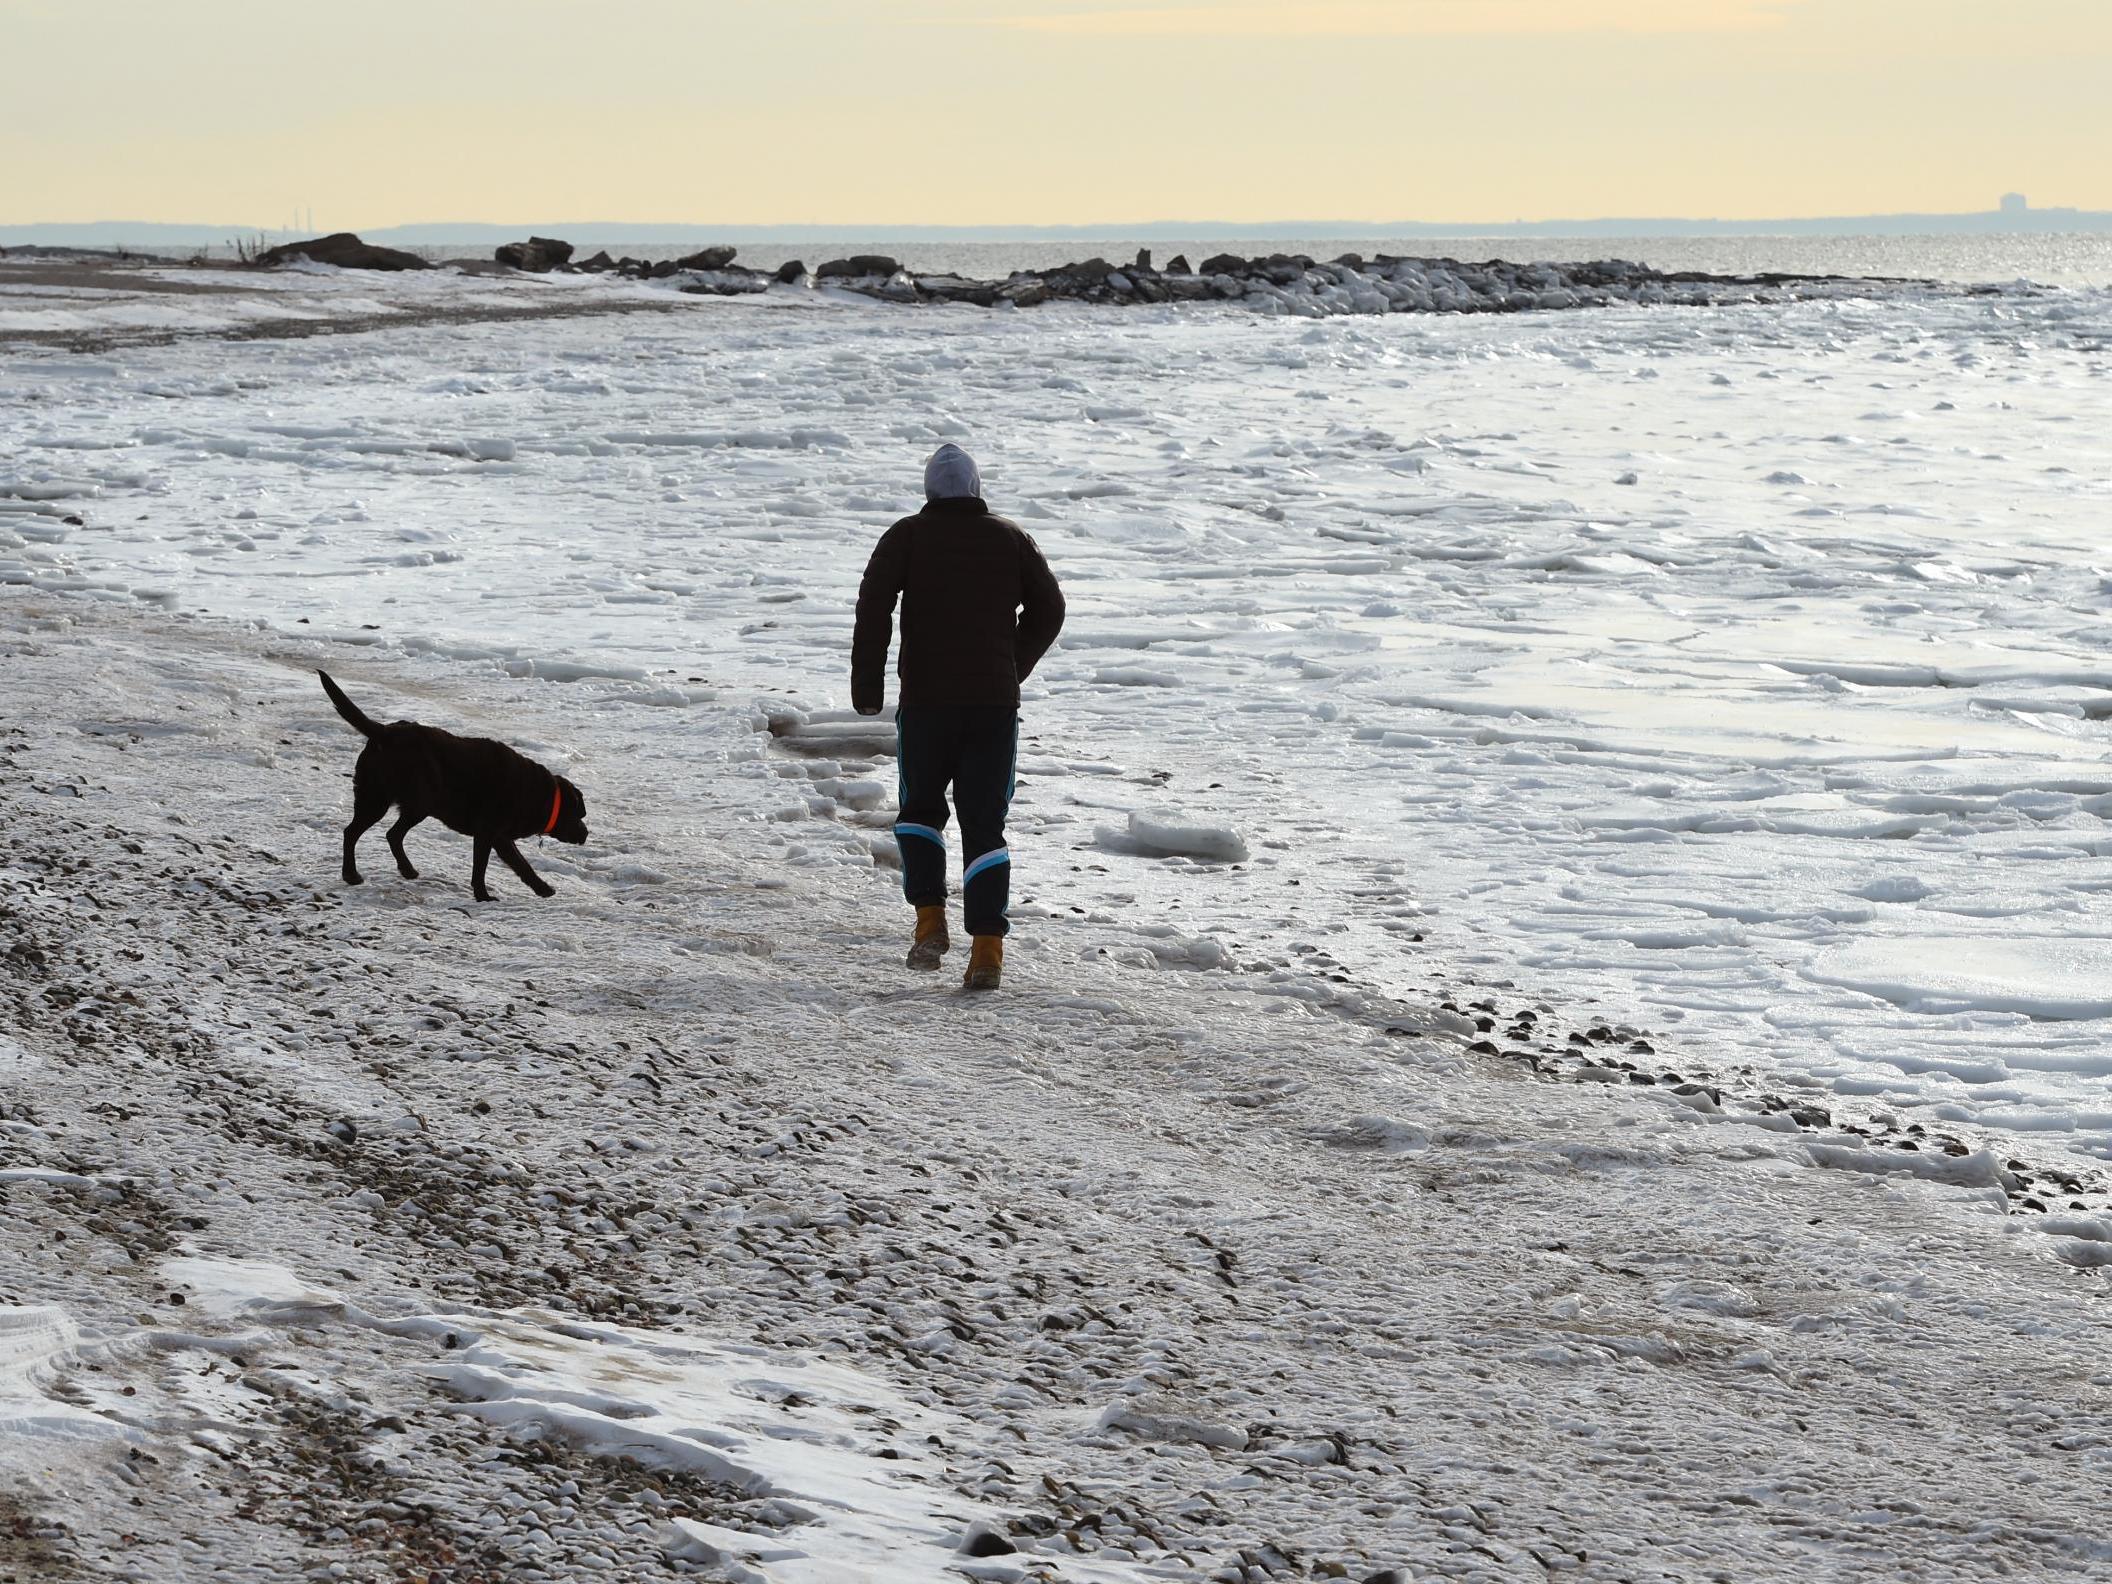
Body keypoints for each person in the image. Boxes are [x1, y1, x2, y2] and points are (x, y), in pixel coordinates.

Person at [852, 444, 1065, 990]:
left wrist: (868, 687)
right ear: (976, 488)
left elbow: (874, 606)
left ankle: (929, 922)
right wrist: (1012, 665)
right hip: (993, 706)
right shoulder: (1011, 538)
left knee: (920, 811)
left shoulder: (905, 536)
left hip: (927, 702)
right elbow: (1051, 608)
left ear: (928, 491)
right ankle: (988, 950)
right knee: (984, 821)